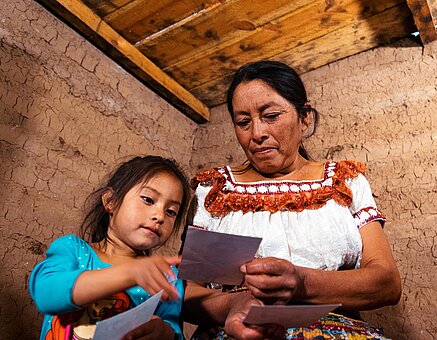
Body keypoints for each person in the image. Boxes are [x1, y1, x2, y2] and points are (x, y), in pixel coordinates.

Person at [183, 60, 402, 339]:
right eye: (243, 122)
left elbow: (387, 284)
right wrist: (234, 304)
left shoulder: (344, 182)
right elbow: (187, 292)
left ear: (304, 116)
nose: (257, 133)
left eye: (271, 115)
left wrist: (302, 283)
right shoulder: (216, 190)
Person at [29, 155, 190, 340]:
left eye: (171, 212)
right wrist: (130, 273)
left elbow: (172, 328)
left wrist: (163, 331)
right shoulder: (73, 250)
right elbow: (46, 294)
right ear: (110, 201)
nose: (160, 216)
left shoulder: (166, 276)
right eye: (148, 200)